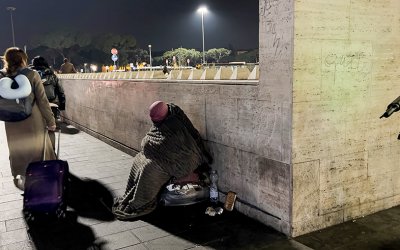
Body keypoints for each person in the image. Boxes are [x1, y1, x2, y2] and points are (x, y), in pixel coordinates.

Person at [113, 101, 213, 220]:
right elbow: (154, 136)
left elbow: (170, 146)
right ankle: (132, 194)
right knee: (139, 160)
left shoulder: (175, 126)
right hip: (162, 155)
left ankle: (141, 201)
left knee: (148, 168)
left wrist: (150, 146)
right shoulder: (163, 120)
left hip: (178, 160)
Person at [0, 47, 56, 190]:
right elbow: (42, 101)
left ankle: (20, 174)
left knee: (17, 149)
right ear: (23, 59)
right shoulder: (32, 74)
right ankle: (40, 177)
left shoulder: (2, 76)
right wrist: (51, 121)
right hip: (32, 119)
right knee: (37, 148)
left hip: (11, 121)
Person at [30, 56, 66, 149]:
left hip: (34, 105)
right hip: (52, 104)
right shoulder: (51, 74)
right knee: (51, 129)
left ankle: (39, 152)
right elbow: (60, 91)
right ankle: (51, 152)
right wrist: (62, 106)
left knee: (36, 130)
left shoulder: (29, 74)